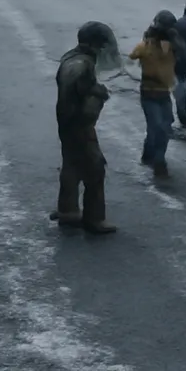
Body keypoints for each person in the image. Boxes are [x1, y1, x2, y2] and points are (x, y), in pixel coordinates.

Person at [50, 21, 118, 234]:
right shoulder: (82, 64)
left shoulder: (71, 57)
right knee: (94, 168)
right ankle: (94, 219)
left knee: (71, 165)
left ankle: (68, 210)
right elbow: (80, 91)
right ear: (96, 43)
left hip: (66, 123)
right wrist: (99, 94)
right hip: (78, 123)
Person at [129, 11, 179, 178]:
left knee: (164, 127)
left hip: (164, 93)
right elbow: (131, 58)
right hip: (149, 92)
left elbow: (184, 53)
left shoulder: (172, 46)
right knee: (156, 127)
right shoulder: (145, 46)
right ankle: (151, 157)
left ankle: (158, 159)